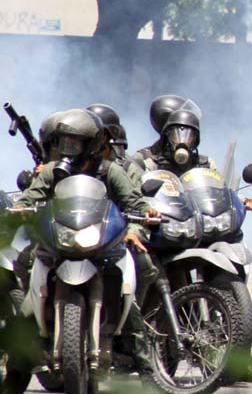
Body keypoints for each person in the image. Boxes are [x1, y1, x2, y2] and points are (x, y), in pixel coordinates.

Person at [15, 109, 159, 379]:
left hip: (102, 245)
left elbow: (136, 204)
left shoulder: (111, 171)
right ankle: (17, 373)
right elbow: (31, 196)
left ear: (92, 144)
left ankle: (148, 375)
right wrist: (23, 207)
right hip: (61, 242)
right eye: (63, 142)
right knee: (27, 299)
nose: (66, 149)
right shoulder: (51, 171)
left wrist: (137, 227)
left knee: (130, 309)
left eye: (74, 143)